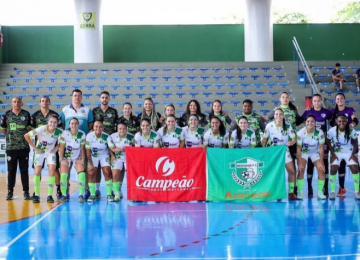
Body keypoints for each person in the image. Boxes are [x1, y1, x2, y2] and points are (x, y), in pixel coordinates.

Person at [60, 89, 93, 200]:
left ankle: (85, 191)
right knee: (65, 172)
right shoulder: (65, 110)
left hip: (81, 146)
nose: (77, 97)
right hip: (68, 148)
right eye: (75, 95)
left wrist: (79, 134)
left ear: (81, 97)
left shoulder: (87, 110)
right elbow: (63, 125)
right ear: (72, 97)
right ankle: (65, 192)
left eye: (79, 95)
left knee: (84, 170)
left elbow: (90, 125)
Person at [24, 115, 63, 203]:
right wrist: (35, 148)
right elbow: (26, 135)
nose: (53, 124)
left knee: (52, 171)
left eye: (55, 122)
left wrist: (57, 148)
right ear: (48, 122)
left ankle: (49, 195)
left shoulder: (59, 131)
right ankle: (36, 195)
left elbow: (63, 140)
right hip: (40, 152)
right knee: (37, 172)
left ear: (57, 124)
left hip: (50, 153)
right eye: (51, 122)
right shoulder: (41, 129)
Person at [31, 96, 63, 199]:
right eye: (42, 101)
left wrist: (58, 146)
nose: (44, 103)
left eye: (46, 101)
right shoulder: (35, 115)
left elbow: (62, 132)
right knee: (37, 171)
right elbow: (30, 131)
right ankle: (36, 193)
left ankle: (57, 190)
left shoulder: (55, 115)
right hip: (40, 148)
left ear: (49, 103)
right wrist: (36, 147)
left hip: (52, 148)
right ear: (40, 103)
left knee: (54, 170)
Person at [301, 94, 333, 197]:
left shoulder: (326, 112)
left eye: (318, 101)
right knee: (310, 166)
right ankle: (310, 188)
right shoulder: (307, 112)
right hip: (310, 144)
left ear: (321, 101)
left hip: (322, 143)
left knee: (324, 166)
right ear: (312, 102)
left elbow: (334, 120)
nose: (317, 103)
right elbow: (298, 121)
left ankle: (325, 188)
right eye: (314, 101)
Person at [262, 108, 297, 200]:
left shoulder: (288, 126)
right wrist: (263, 151)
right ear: (274, 116)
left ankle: (291, 192)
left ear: (283, 116)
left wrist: (291, 143)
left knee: (292, 171)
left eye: (280, 114)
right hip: (273, 152)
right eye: (276, 114)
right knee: (274, 172)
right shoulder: (269, 126)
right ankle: (275, 192)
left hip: (284, 150)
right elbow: (264, 139)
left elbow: (294, 138)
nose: (278, 116)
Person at [1, 97, 32, 200]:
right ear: (11, 103)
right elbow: (4, 130)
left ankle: (26, 192)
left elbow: (29, 129)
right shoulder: (6, 115)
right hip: (11, 148)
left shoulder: (26, 114)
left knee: (24, 170)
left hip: (24, 148)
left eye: (19, 101)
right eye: (15, 101)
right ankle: (10, 191)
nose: (17, 103)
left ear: (22, 103)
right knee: (11, 170)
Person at [329, 92, 359, 197]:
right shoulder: (332, 111)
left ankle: (358, 189)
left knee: (355, 166)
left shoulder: (350, 109)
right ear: (335, 100)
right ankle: (341, 188)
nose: (340, 100)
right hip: (337, 143)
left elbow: (355, 119)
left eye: (341, 98)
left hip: (349, 142)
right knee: (340, 167)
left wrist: (352, 124)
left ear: (344, 100)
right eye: (337, 99)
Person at [92, 91, 118, 198]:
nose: (104, 99)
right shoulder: (94, 111)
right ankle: (97, 189)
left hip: (110, 142)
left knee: (109, 168)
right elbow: (92, 125)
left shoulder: (113, 111)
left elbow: (117, 127)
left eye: (106, 97)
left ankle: (110, 189)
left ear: (109, 99)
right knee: (97, 168)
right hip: (97, 142)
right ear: (99, 99)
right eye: (102, 97)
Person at [327, 115, 360, 200]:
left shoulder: (351, 130)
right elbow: (327, 141)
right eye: (340, 121)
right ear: (337, 122)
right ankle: (333, 192)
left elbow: (356, 142)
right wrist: (333, 154)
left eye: (344, 121)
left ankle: (357, 192)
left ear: (346, 122)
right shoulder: (331, 131)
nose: (342, 123)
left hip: (348, 152)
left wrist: (353, 154)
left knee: (355, 169)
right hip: (337, 152)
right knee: (333, 169)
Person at [296, 115, 326, 200]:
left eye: (312, 121)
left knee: (321, 170)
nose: (310, 123)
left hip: (314, 153)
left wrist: (321, 162)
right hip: (303, 153)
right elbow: (298, 148)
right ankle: (300, 192)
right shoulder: (300, 132)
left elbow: (321, 148)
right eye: (308, 121)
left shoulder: (319, 132)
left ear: (315, 123)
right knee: (301, 170)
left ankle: (320, 192)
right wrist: (300, 163)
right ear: (305, 122)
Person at [58, 117, 86, 202]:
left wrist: (82, 159)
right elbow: (61, 147)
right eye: (72, 123)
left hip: (77, 157)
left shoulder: (82, 134)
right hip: (67, 157)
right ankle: (63, 194)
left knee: (82, 174)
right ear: (69, 125)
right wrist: (62, 159)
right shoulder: (64, 133)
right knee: (63, 175)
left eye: (75, 123)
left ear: (78, 124)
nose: (74, 125)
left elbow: (82, 148)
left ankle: (81, 195)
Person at [85, 120, 113, 202]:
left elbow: (110, 147)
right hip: (93, 155)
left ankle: (109, 194)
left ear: (103, 128)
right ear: (93, 127)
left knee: (107, 171)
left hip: (104, 155)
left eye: (100, 126)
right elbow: (87, 151)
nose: (98, 128)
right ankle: (93, 194)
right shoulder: (89, 136)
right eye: (96, 126)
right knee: (91, 172)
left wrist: (112, 156)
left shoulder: (107, 136)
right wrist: (90, 163)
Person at [108, 122, 134, 201]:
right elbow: (111, 148)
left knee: (130, 175)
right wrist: (114, 154)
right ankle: (117, 193)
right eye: (120, 129)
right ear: (117, 129)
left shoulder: (132, 137)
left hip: (128, 158)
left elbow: (135, 148)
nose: (122, 130)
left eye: (124, 129)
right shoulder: (112, 136)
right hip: (117, 157)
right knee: (115, 175)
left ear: (126, 129)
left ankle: (132, 193)